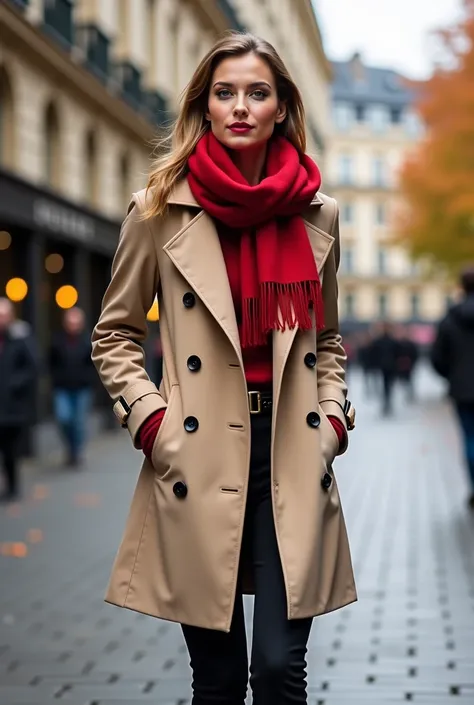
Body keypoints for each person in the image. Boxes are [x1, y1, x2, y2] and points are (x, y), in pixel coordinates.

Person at [92, 32, 356, 704]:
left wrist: (330, 422)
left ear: (280, 107)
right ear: (205, 106)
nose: (240, 106)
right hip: (195, 454)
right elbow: (115, 334)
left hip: (290, 452)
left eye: (257, 92)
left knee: (276, 668)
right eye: (225, 92)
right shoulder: (159, 207)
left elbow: (327, 340)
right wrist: (154, 426)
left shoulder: (315, 213)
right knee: (214, 676)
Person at [431, 267, 474, 510]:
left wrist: (452, 376)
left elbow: (437, 357)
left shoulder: (450, 318)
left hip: (462, 390)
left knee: (470, 438)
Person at [0, 298, 37, 502]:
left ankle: (12, 485)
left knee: (10, 450)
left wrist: (15, 384)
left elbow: (32, 367)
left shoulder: (20, 337)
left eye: (3, 315)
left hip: (12, 406)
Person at [49, 307, 95, 467]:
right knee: (64, 418)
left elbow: (92, 364)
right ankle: (71, 447)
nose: (73, 325)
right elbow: (51, 362)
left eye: (76, 322)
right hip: (62, 387)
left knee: (79, 422)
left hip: (82, 387)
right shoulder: (57, 341)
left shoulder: (87, 341)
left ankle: (76, 451)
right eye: (70, 322)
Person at [371, 321, 400, 416]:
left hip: (385, 366)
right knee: (388, 385)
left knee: (386, 385)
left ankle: (387, 402)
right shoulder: (392, 341)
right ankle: (387, 402)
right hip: (389, 366)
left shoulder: (380, 341)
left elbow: (374, 352)